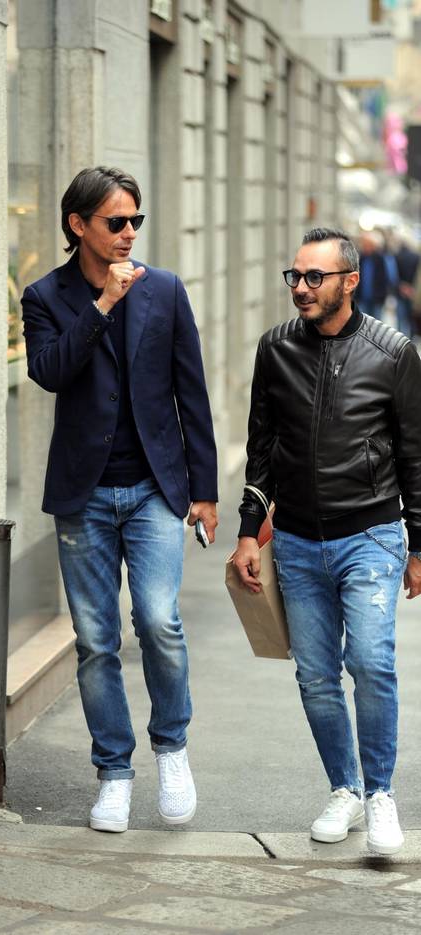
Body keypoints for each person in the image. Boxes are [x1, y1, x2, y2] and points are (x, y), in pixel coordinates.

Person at [22, 166, 218, 833]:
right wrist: (102, 304)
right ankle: (113, 770)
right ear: (79, 225)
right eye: (116, 222)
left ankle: (172, 747)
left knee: (159, 620)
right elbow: (49, 371)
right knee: (96, 639)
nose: (129, 232)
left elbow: (191, 392)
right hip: (84, 496)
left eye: (136, 220)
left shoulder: (165, 290)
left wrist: (206, 490)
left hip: (156, 490)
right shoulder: (46, 296)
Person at [233, 227, 421, 856]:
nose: (302, 289)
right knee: (315, 677)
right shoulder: (275, 350)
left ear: (349, 280)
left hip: (370, 534)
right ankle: (343, 788)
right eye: (295, 277)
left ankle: (380, 795)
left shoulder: (393, 352)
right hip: (296, 543)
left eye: (315, 277)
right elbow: (260, 451)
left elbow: (415, 456)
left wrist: (417, 546)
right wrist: (246, 535)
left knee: (370, 663)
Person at [356, 231, 390, 321]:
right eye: (364, 244)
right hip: (362, 298)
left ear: (373, 245)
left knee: (376, 323)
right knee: (362, 323)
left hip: (377, 298)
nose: (365, 246)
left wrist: (383, 295)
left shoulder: (380, 259)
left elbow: (385, 278)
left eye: (368, 244)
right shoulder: (360, 258)